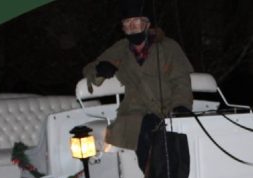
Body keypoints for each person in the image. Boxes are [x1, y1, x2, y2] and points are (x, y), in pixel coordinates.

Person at [82, 0, 194, 150]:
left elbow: (181, 82)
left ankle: (153, 173)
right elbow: (89, 69)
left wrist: (181, 106)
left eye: (136, 21)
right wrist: (100, 70)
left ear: (147, 24)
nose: (132, 26)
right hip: (134, 112)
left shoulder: (168, 47)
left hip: (167, 109)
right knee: (146, 132)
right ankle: (151, 172)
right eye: (127, 22)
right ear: (123, 27)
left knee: (165, 141)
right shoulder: (120, 49)